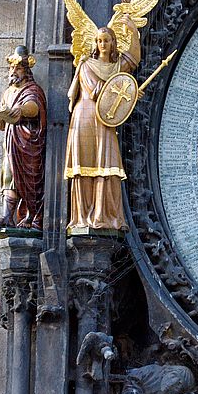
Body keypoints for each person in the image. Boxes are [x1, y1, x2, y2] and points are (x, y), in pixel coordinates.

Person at [64, 14, 139, 231]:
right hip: (86, 116)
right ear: (95, 43)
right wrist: (126, 90)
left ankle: (106, 215)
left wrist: (133, 31)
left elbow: (133, 59)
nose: (103, 44)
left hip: (105, 120)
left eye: (107, 40)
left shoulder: (116, 68)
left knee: (108, 165)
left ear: (113, 43)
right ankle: (83, 217)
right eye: (99, 40)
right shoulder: (87, 65)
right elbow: (97, 91)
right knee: (85, 166)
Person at [0, 45, 47, 229]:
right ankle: (7, 217)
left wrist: (19, 110)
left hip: (27, 143)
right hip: (10, 143)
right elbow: (2, 124)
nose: (13, 71)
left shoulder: (33, 89)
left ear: (26, 70)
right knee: (9, 178)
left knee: (29, 181)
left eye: (18, 68)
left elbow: (34, 108)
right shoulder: (7, 93)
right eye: (11, 68)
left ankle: (33, 218)